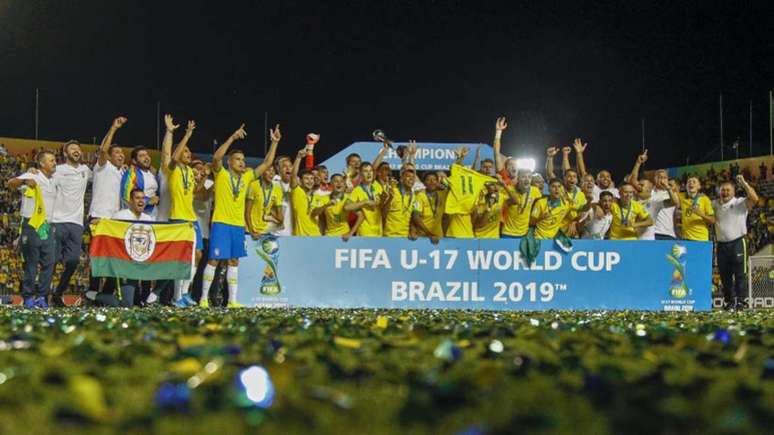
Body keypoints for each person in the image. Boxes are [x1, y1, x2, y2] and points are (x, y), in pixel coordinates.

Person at [200, 123, 281, 308]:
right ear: (230, 162)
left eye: (243, 159)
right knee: (214, 259)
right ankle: (203, 298)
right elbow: (216, 157)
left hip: (238, 225)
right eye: (237, 159)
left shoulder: (246, 177)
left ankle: (232, 301)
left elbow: (267, 164)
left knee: (234, 261)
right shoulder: (220, 173)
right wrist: (232, 138)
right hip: (221, 223)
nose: (242, 162)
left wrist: (274, 143)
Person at [161, 115, 204, 308]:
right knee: (182, 259)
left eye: (189, 151)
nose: (188, 153)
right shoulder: (173, 170)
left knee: (197, 256)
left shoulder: (189, 172)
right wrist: (184, 134)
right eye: (185, 151)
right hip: (178, 218)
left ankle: (185, 293)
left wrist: (201, 177)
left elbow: (193, 193)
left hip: (192, 219)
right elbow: (171, 155)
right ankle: (177, 297)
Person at [86, 188, 152, 307]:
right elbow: (109, 231)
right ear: (130, 201)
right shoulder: (120, 216)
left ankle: (100, 296)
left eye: (143, 198)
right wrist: (101, 222)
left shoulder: (148, 219)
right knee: (127, 305)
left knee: (133, 303)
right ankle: (94, 295)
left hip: (137, 269)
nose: (141, 201)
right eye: (137, 198)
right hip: (121, 267)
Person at [7, 151, 57, 308]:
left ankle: (42, 297)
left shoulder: (54, 181)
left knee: (49, 261)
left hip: (45, 226)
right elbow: (10, 183)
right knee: (31, 262)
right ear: (42, 164)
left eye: (55, 160)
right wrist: (26, 179)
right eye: (52, 160)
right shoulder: (33, 175)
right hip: (31, 223)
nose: (55, 163)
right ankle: (28, 297)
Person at [88, 116, 127, 297]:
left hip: (116, 221)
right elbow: (103, 149)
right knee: (98, 257)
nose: (121, 155)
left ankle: (105, 294)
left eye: (122, 153)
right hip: (99, 217)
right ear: (110, 156)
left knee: (116, 259)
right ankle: (93, 291)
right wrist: (113, 128)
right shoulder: (102, 167)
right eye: (117, 152)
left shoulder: (122, 173)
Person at [51, 140, 93, 306]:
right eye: (72, 149)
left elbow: (103, 173)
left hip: (76, 223)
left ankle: (58, 293)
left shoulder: (85, 170)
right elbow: (43, 178)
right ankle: (41, 295)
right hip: (57, 221)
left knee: (74, 261)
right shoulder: (58, 170)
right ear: (65, 154)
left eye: (78, 149)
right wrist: (33, 170)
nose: (77, 151)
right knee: (52, 261)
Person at [713, 174, 759, 309]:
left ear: (733, 192)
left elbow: (755, 199)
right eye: (722, 189)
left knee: (740, 274)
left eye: (728, 190)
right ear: (719, 191)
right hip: (721, 245)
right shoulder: (714, 204)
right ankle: (729, 302)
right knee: (724, 275)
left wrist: (744, 183)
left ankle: (741, 302)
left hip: (738, 243)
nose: (725, 192)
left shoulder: (739, 202)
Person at [629, 150, 677, 240]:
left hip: (663, 234)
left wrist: (668, 187)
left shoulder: (662, 197)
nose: (661, 179)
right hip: (644, 235)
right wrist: (638, 163)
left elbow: (675, 203)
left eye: (664, 177)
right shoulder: (645, 195)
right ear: (654, 180)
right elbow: (633, 181)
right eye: (659, 177)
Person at [382, 167, 435, 240]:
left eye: (413, 178)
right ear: (401, 179)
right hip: (389, 236)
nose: (411, 179)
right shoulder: (393, 192)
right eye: (408, 176)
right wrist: (390, 199)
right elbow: (383, 214)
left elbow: (413, 217)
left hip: (405, 238)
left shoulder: (415, 196)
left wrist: (412, 231)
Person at [290, 149, 327, 236]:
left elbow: (321, 221)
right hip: (300, 237)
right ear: (300, 181)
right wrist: (298, 157)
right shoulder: (297, 192)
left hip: (316, 236)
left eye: (311, 179)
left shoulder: (318, 197)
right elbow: (293, 176)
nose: (309, 181)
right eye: (306, 179)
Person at [668, 176, 716, 241]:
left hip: (701, 238)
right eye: (689, 182)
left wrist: (701, 214)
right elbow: (674, 195)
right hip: (686, 238)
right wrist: (669, 187)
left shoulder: (704, 199)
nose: (691, 183)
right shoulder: (682, 197)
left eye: (694, 182)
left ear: (699, 186)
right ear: (686, 186)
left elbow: (713, 220)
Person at [501, 169, 542, 238]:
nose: (527, 179)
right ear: (518, 178)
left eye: (529, 177)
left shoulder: (535, 191)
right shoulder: (509, 190)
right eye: (523, 177)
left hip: (524, 233)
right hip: (508, 232)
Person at [349, 161, 386, 237]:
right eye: (366, 171)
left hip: (378, 230)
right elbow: (347, 207)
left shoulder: (377, 186)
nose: (369, 173)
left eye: (370, 171)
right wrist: (364, 202)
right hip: (365, 231)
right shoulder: (357, 190)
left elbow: (383, 205)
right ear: (360, 174)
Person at [320, 173, 361, 240]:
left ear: (344, 184)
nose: (339, 183)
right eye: (336, 181)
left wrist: (351, 233)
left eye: (341, 181)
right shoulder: (324, 199)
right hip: (329, 236)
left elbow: (361, 216)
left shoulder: (348, 199)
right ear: (331, 184)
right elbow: (321, 217)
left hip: (344, 236)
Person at [120, 146, 159, 217]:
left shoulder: (152, 174)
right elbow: (125, 195)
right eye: (141, 156)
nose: (146, 157)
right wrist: (148, 201)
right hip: (137, 215)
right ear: (134, 161)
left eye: (147, 155)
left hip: (154, 214)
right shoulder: (131, 173)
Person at [415, 172, 447, 241]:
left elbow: (452, 187)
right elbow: (416, 217)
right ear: (424, 183)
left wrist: (443, 183)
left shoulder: (443, 194)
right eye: (428, 180)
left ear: (437, 182)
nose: (432, 182)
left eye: (434, 179)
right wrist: (429, 234)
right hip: (423, 236)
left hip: (438, 236)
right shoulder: (420, 196)